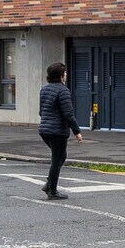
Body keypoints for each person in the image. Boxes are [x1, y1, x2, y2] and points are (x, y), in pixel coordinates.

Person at [37, 62, 82, 199]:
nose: (66, 75)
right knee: (57, 160)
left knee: (61, 157)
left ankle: (49, 184)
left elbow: (41, 111)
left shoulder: (44, 89)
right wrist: (77, 131)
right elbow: (68, 114)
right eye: (65, 73)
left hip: (44, 130)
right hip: (57, 131)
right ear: (61, 76)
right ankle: (52, 191)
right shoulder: (63, 91)